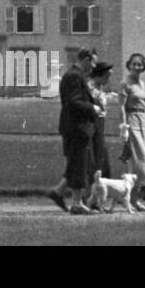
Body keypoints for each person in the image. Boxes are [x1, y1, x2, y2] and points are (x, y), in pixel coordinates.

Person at [50, 48, 102, 214]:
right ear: (85, 59)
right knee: (79, 164)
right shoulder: (74, 76)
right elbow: (74, 102)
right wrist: (93, 107)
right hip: (76, 127)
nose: (93, 66)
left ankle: (58, 192)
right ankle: (77, 203)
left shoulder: (75, 75)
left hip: (76, 127)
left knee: (76, 163)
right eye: (93, 62)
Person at [119, 53, 145, 212]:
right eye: (134, 64)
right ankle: (144, 189)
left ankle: (134, 201)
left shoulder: (143, 84)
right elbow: (121, 106)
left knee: (138, 162)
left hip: (142, 121)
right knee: (140, 159)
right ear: (129, 65)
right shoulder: (125, 83)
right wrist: (123, 127)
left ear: (143, 67)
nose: (136, 67)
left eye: (139, 65)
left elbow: (144, 106)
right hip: (132, 120)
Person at [87, 62, 114, 197]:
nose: (108, 79)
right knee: (95, 156)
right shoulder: (90, 87)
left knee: (101, 156)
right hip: (93, 123)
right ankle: (92, 194)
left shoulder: (99, 87)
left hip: (100, 123)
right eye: (107, 76)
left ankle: (98, 194)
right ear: (100, 74)